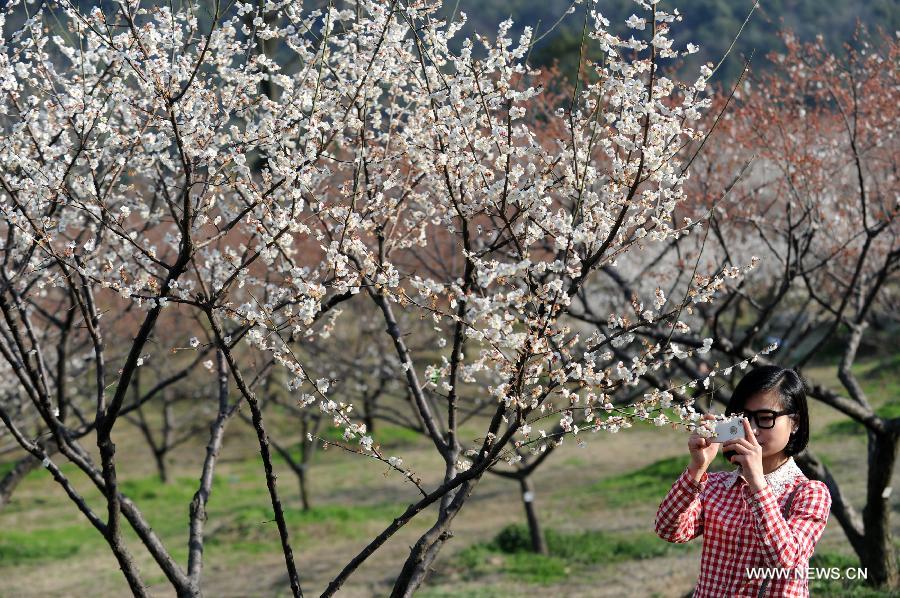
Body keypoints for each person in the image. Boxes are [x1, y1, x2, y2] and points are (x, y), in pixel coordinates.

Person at [654, 366, 832, 597]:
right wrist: (697, 467)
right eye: (744, 418)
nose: (753, 429)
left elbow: (784, 560)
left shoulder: (809, 493)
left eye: (766, 418)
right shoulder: (716, 485)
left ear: (795, 422)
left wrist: (758, 485)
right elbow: (668, 529)